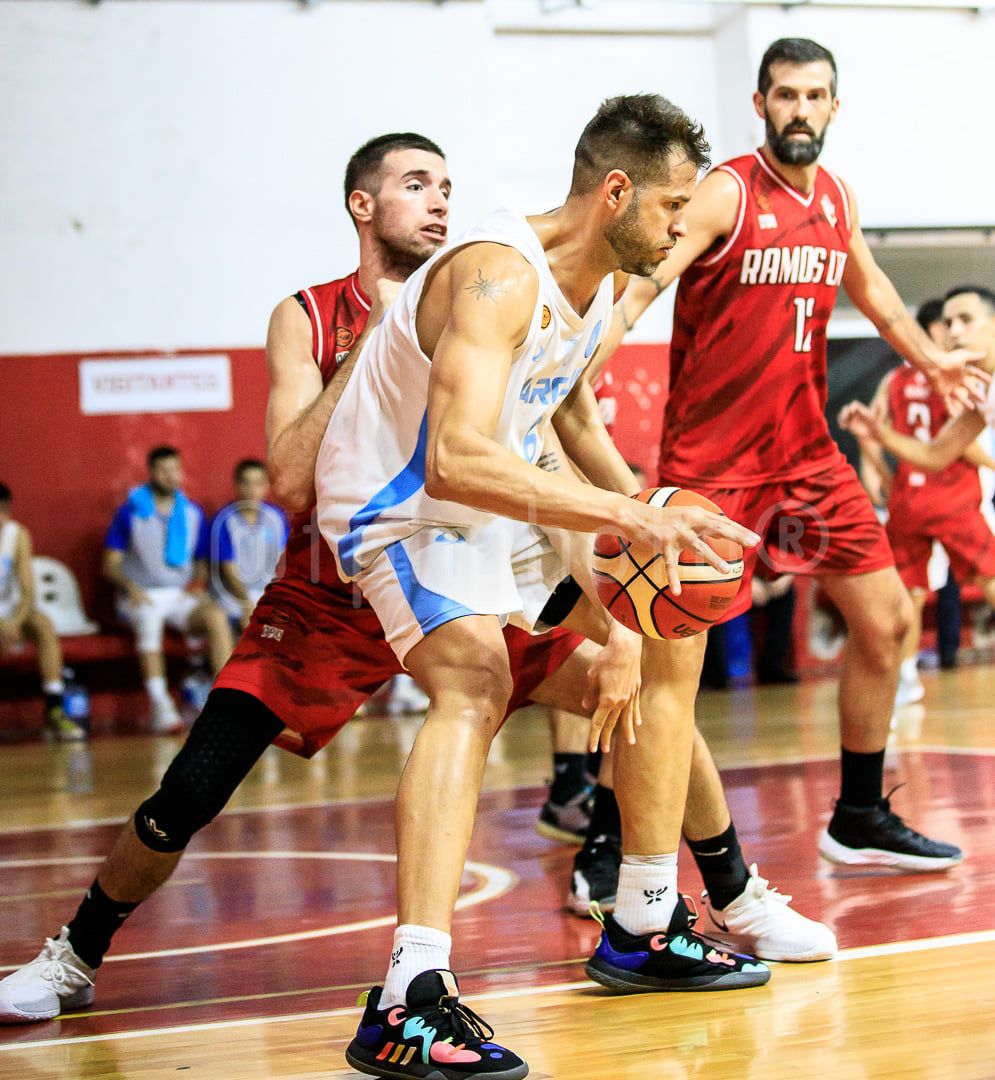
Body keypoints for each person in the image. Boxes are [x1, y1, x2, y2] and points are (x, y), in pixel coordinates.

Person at [314, 96, 785, 1079]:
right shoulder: (495, 274)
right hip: (401, 500)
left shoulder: (593, 293)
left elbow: (553, 427)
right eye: (666, 207)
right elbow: (450, 458)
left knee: (664, 633)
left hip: (505, 500)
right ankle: (407, 997)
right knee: (475, 680)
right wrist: (622, 518)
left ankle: (644, 918)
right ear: (612, 191)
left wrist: (651, 511)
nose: (676, 230)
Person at [599, 38, 973, 875]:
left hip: (805, 457)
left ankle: (861, 813)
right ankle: (606, 834)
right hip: (710, 466)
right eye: (784, 95)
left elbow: (872, 291)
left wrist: (932, 360)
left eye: (813, 96)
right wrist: (597, 344)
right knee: (665, 667)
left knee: (886, 621)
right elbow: (643, 281)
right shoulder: (727, 191)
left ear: (833, 108)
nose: (798, 110)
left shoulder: (835, 198)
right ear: (761, 104)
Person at [852, 295, 995, 708]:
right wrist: (876, 437)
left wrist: (875, 461)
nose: (954, 330)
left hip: (918, 496)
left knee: (910, 593)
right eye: (949, 322)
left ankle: (907, 678)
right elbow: (938, 452)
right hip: (943, 495)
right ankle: (904, 680)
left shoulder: (901, 379)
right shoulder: (970, 384)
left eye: (965, 320)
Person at [102, 446, 235, 734]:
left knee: (216, 617)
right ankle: (160, 703)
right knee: (148, 619)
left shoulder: (192, 512)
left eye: (175, 469)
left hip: (178, 595)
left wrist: (198, 583)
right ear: (151, 472)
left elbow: (200, 561)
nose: (171, 476)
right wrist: (130, 586)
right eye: (164, 470)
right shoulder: (130, 512)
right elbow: (109, 565)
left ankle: (224, 703)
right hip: (141, 594)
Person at [0, 483, 84, 741]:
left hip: (8, 608)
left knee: (43, 624)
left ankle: (55, 709)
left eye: (3, 512)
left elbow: (27, 592)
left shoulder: (17, 535)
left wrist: (14, 621)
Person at [210, 458, 290, 630]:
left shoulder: (276, 517)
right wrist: (247, 602)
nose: (252, 490)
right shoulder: (224, 520)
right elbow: (228, 571)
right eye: (247, 483)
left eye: (258, 483)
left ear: (266, 486)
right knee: (253, 622)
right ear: (237, 485)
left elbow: (282, 563)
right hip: (233, 595)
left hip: (267, 592)